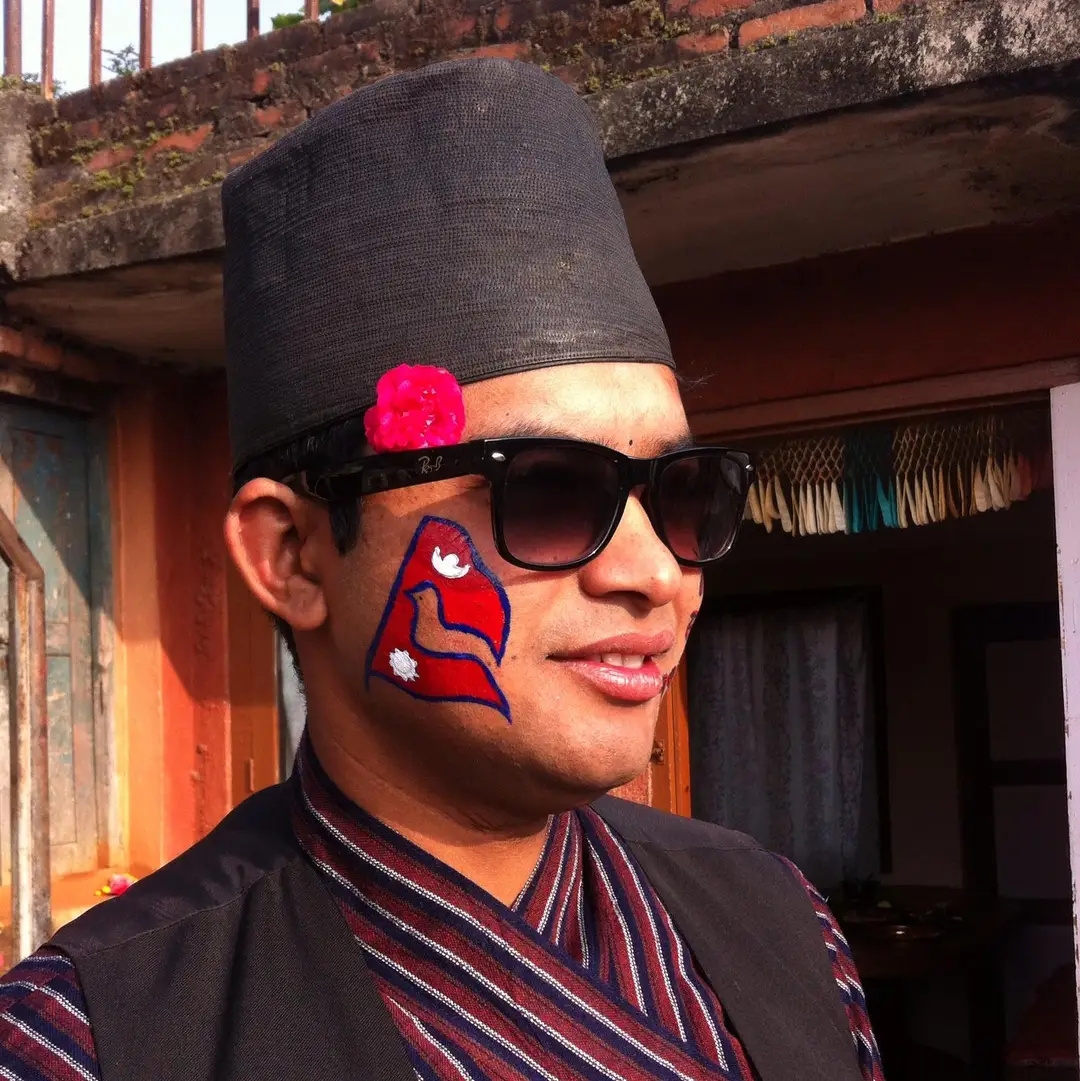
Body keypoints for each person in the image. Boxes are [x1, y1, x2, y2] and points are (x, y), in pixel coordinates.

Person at [0, 58, 884, 1081]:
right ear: (292, 556)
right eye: (546, 489)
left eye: (684, 494)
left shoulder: (783, 923)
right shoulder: (87, 1040)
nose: (655, 571)